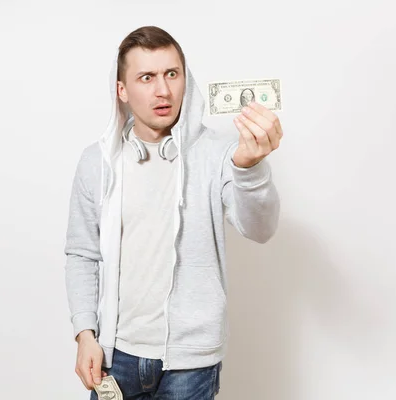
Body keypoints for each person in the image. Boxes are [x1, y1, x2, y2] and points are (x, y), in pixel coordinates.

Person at [63, 25, 283, 399]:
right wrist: (86, 333)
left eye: (171, 74)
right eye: (146, 77)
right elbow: (81, 254)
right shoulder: (96, 163)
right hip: (117, 357)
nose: (163, 90)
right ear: (122, 90)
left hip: (192, 362)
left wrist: (250, 169)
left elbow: (260, 229)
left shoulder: (220, 154)